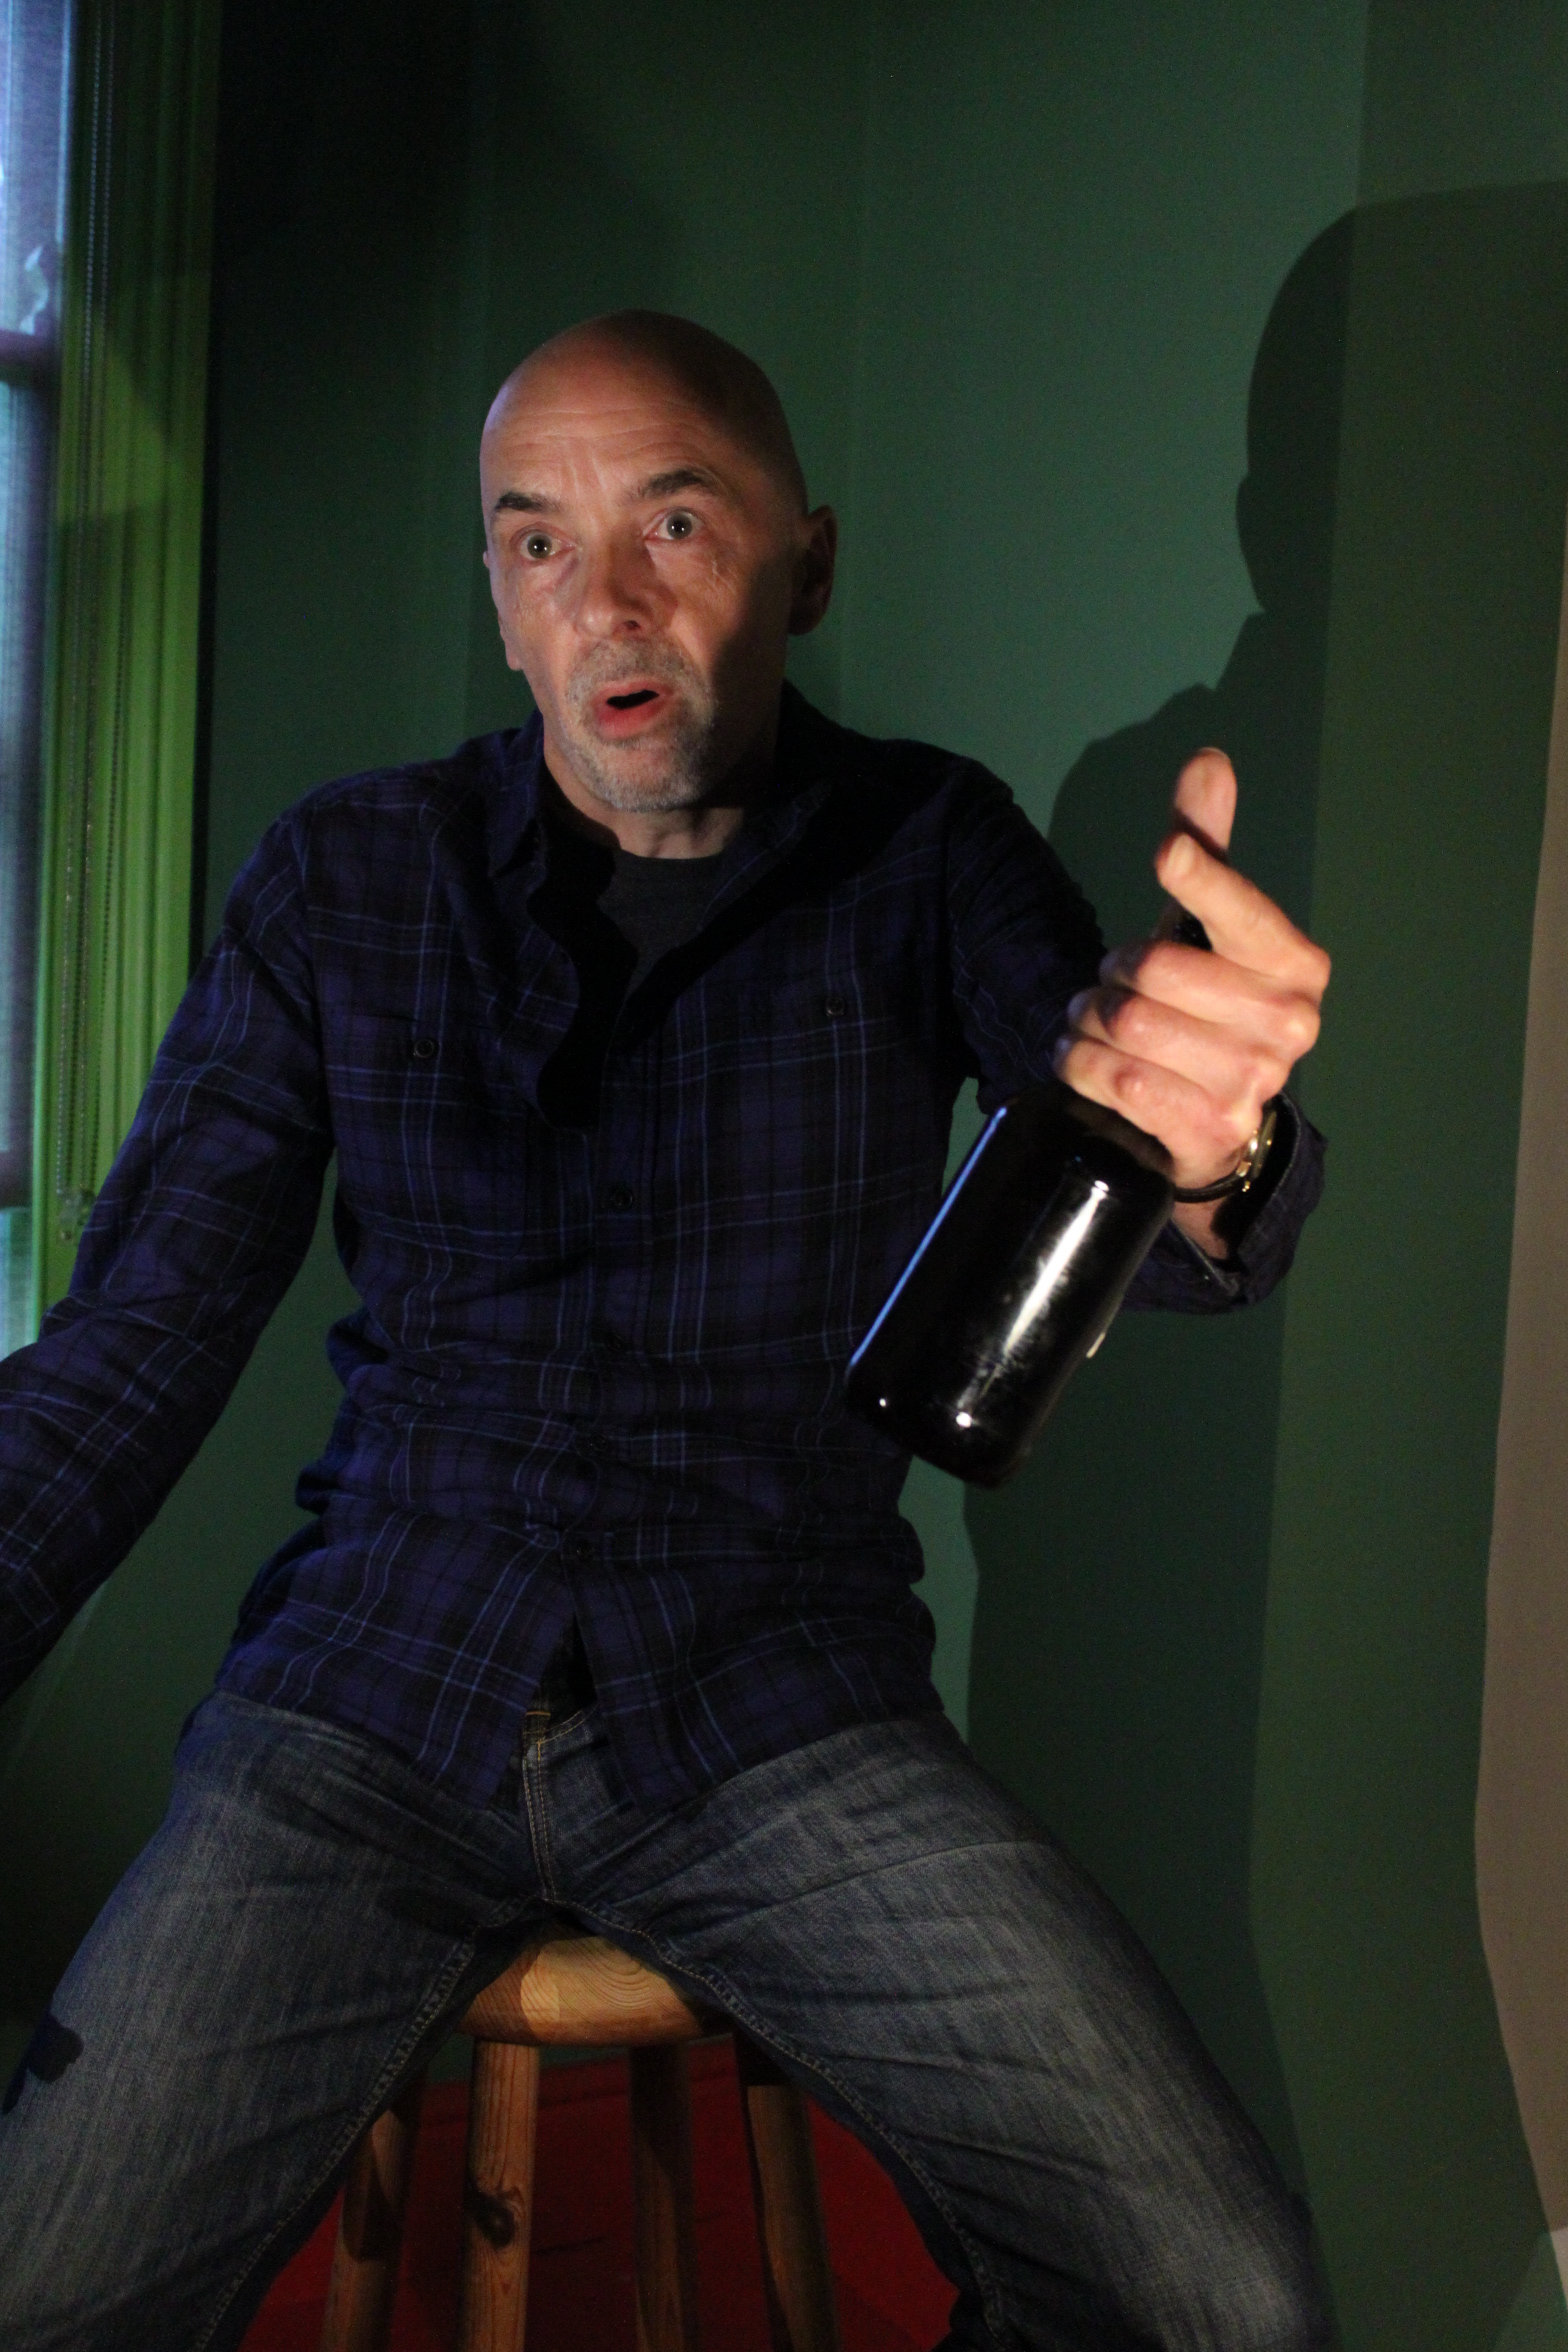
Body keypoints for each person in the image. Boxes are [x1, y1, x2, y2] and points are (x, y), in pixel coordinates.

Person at [0, 312, 1331, 2351]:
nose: (604, 600)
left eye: (675, 524)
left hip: (778, 1704)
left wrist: (1211, 1145)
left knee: (1223, 2305)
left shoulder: (932, 848)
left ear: (808, 565)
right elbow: (130, 1347)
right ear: (499, 601)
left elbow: (1124, 1176)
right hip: (361, 1707)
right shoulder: (346, 877)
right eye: (538, 542)